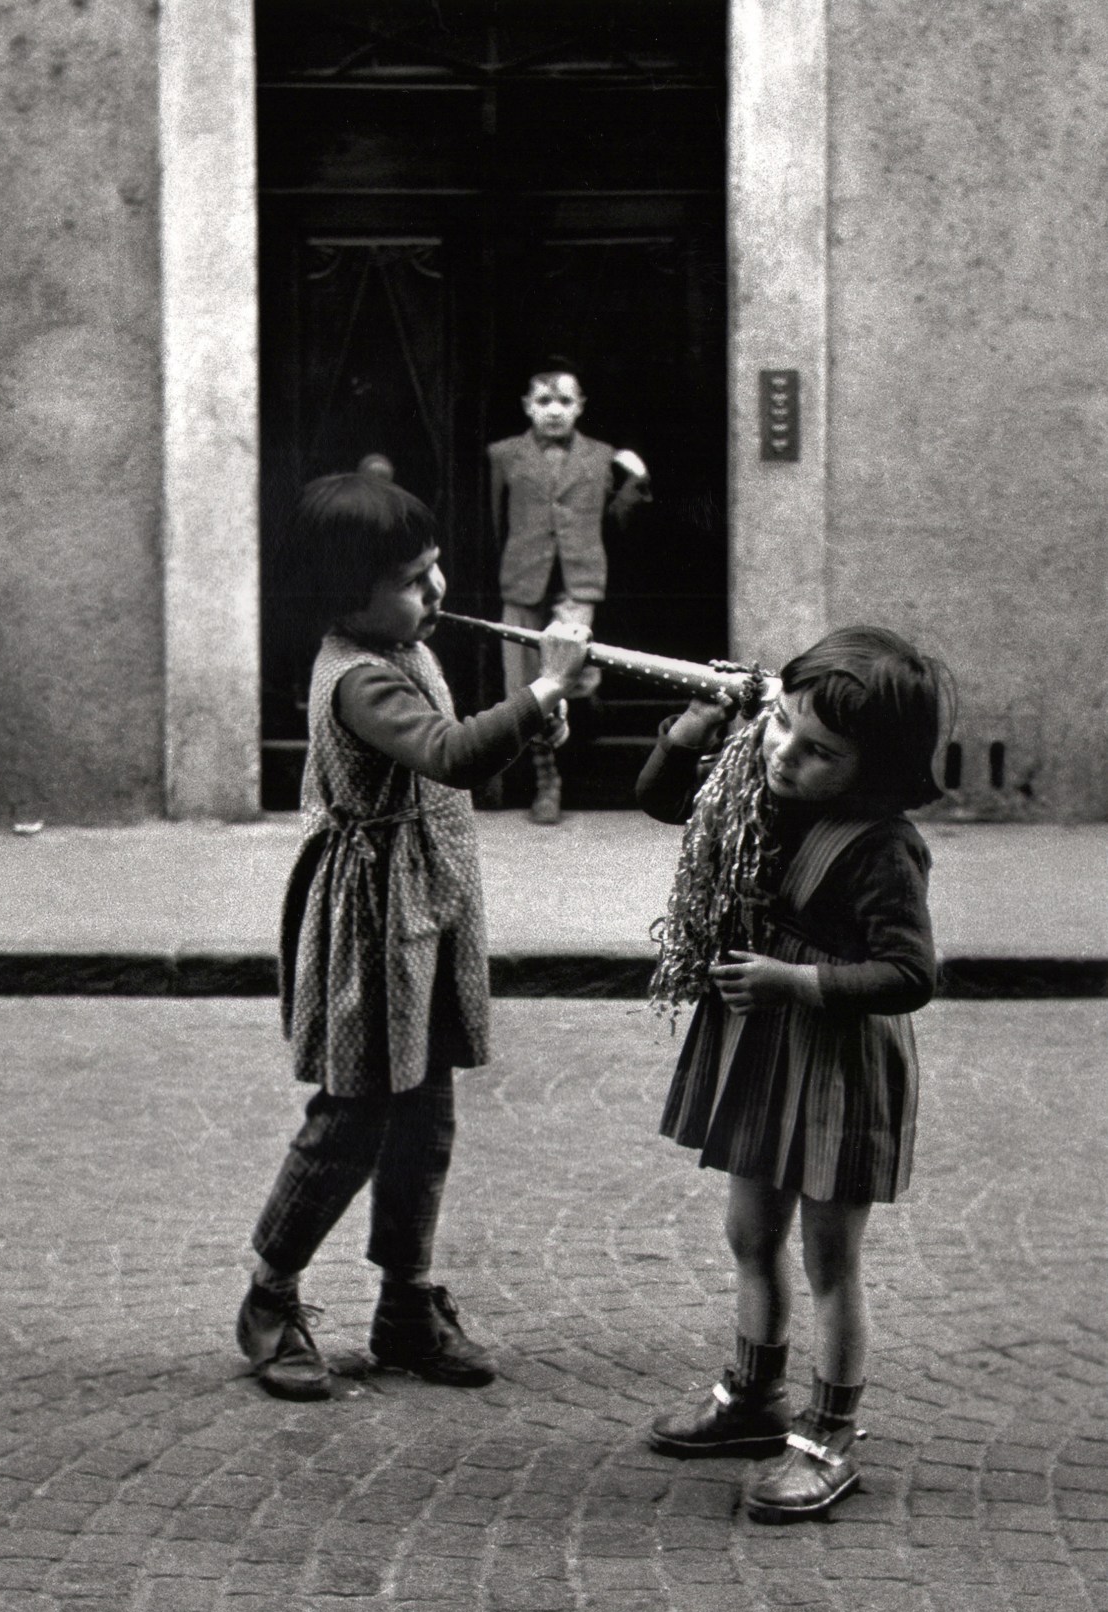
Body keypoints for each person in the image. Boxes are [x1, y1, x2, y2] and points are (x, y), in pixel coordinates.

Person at [238, 472, 595, 1400]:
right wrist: (546, 683)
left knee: (425, 1118)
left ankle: (405, 1304)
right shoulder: (357, 676)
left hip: (424, 911)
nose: (436, 594)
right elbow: (446, 752)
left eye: (436, 571)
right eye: (412, 580)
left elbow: (465, 744)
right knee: (353, 1116)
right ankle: (270, 1296)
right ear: (344, 596)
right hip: (373, 922)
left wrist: (540, 704)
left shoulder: (402, 644)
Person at [639, 627, 948, 1521]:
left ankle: (829, 1434)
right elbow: (663, 801)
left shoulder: (883, 846)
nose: (784, 754)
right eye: (780, 724)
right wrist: (692, 727)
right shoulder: (759, 786)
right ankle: (752, 1394)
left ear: (874, 768)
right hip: (767, 1050)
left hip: (836, 1062)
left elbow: (910, 975)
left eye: (819, 752)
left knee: (829, 1260)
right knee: (749, 1231)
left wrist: (793, 981)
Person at [487, 355, 650, 823]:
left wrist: (636, 479)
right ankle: (546, 781)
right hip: (523, 580)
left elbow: (619, 522)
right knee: (525, 682)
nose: (554, 410)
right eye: (544, 401)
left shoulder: (600, 457)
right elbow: (494, 520)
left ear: (580, 406)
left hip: (577, 584)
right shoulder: (503, 455)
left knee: (569, 675)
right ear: (527, 406)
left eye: (564, 400)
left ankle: (569, 766)